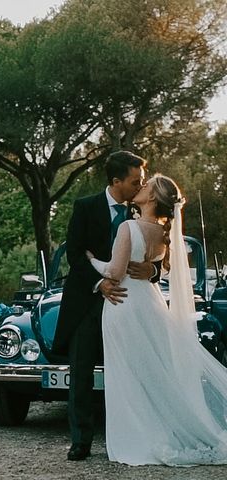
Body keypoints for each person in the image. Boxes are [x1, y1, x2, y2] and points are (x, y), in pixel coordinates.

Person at [87, 174, 227, 465]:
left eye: (147, 184)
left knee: (127, 373)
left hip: (122, 303)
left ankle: (137, 437)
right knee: (151, 370)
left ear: (151, 197)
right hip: (149, 305)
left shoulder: (129, 227)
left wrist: (90, 260)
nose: (141, 186)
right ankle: (161, 430)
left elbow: (114, 272)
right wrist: (150, 270)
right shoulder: (162, 234)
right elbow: (157, 270)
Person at [52, 150, 160, 461]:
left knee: (132, 371)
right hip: (87, 303)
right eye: (134, 181)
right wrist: (100, 284)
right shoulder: (85, 207)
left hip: (128, 304)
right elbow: (75, 254)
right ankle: (81, 441)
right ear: (116, 182)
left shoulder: (141, 213)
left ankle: (131, 435)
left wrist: (153, 270)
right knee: (82, 372)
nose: (140, 187)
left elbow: (157, 249)